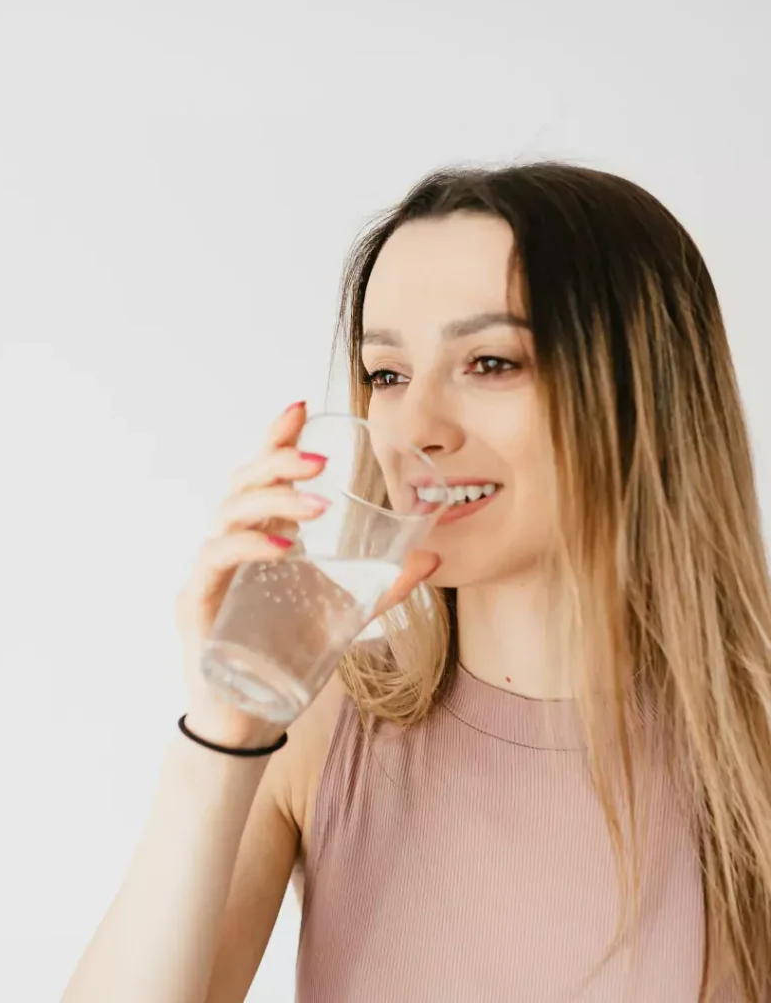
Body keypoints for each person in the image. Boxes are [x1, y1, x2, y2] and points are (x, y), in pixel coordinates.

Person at [61, 163, 771, 1002]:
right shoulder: (322, 728)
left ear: (644, 392)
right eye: (389, 376)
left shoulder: (747, 755)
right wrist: (224, 728)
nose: (418, 429)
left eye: (492, 362)